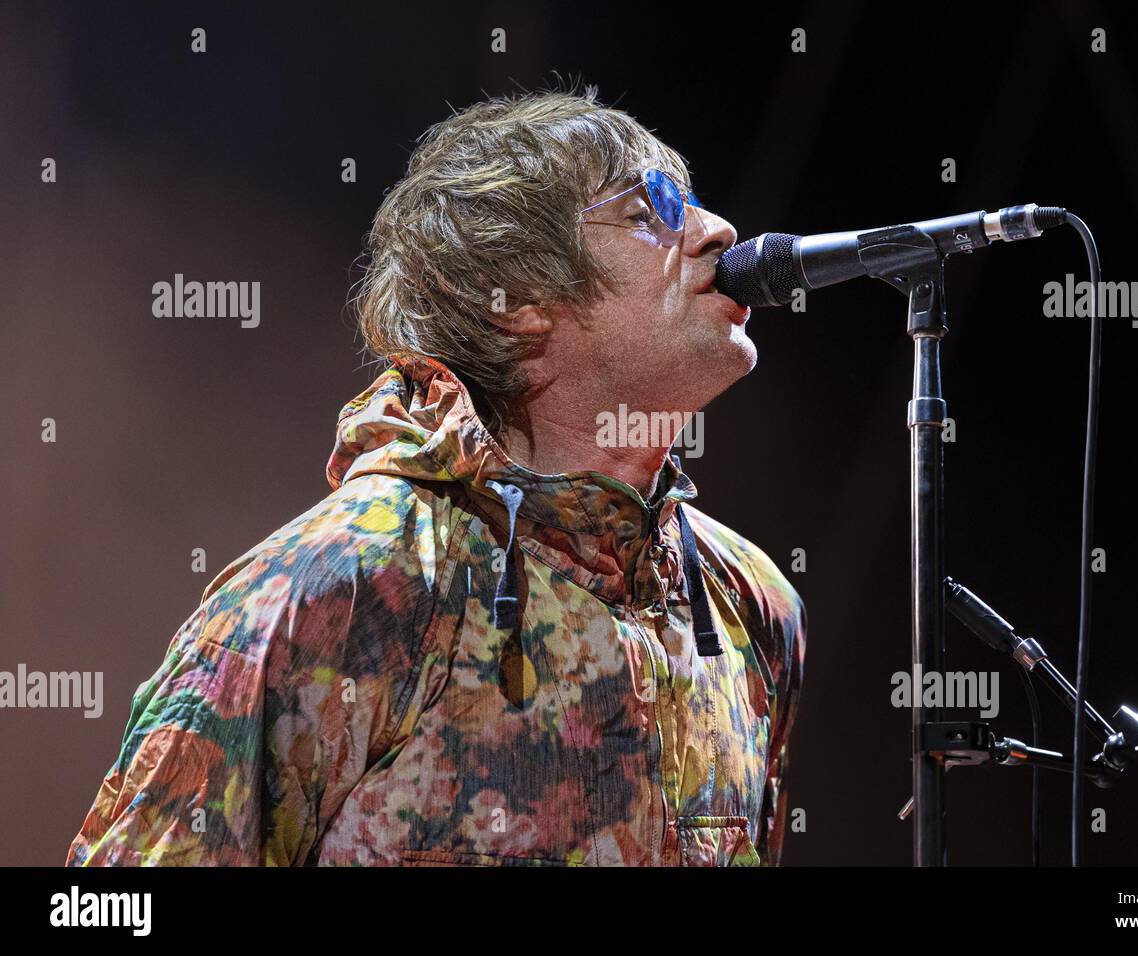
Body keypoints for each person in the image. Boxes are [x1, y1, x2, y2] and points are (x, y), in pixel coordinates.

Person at [66, 85, 807, 867]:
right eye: (648, 208)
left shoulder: (752, 605)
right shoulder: (341, 589)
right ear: (518, 298)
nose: (718, 231)